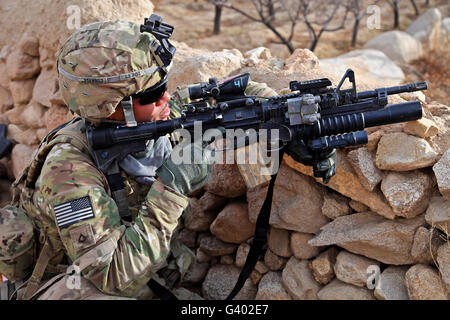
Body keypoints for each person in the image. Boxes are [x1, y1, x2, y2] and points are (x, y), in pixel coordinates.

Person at [1, 18, 336, 300]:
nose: (164, 97)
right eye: (150, 94)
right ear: (111, 107)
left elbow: (242, 101)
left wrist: (290, 125)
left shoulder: (155, 118)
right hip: (75, 285)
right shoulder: (68, 170)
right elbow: (114, 277)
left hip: (153, 276)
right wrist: (171, 186)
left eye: (162, 84)